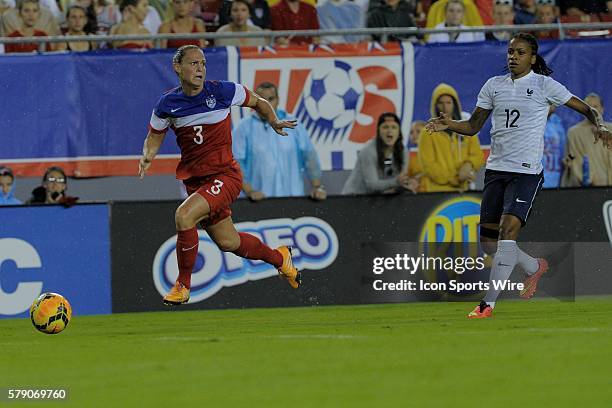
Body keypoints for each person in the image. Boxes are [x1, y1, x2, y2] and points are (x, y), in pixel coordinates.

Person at [426, 33, 611, 318]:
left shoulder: (544, 85)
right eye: (511, 51)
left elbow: (587, 109)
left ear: (532, 58)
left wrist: (600, 126)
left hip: (526, 173)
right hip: (496, 171)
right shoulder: (493, 86)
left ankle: (487, 304)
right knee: (489, 243)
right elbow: (474, 126)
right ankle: (535, 267)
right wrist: (449, 124)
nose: (513, 56)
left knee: (507, 232)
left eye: (520, 52)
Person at [139, 45, 302, 305]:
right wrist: (148, 155)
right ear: (177, 68)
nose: (200, 68)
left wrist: (272, 120)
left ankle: (183, 285)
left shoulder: (223, 91)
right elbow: (154, 135)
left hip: (225, 176)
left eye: (202, 63)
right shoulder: (168, 104)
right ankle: (280, 258)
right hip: (196, 182)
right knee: (229, 242)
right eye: (193, 63)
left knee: (184, 216)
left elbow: (258, 101)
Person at [232, 82, 326, 200]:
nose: (267, 104)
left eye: (271, 99)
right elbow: (236, 165)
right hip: (258, 202)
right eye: (262, 100)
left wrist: (317, 187)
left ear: (278, 99)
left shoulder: (293, 123)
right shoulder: (243, 128)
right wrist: (250, 191)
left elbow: (309, 156)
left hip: (293, 199)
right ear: (254, 102)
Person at [418, 83, 484, 192]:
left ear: (455, 105)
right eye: (441, 103)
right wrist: (456, 179)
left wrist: (469, 164)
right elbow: (429, 166)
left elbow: (477, 155)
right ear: (435, 105)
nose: (445, 107)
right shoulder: (427, 132)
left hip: (463, 191)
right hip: (436, 193)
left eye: (448, 102)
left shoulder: (465, 129)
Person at [342, 112, 419, 195]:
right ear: (378, 132)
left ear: (399, 132)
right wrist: (396, 182)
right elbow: (372, 185)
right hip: (354, 197)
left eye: (394, 127)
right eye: (385, 127)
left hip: (379, 197)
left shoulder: (403, 152)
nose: (389, 131)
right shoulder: (368, 152)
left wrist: (409, 183)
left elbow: (401, 180)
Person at [561, 93, 612, 187]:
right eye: (590, 107)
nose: (594, 110)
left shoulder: (610, 130)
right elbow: (573, 161)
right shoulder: (574, 133)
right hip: (586, 189)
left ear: (602, 109)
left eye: (596, 106)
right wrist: (589, 180)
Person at [541, 105, 566, 188]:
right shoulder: (532, 122)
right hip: (535, 180)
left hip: (555, 182)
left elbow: (562, 153)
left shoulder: (558, 123)